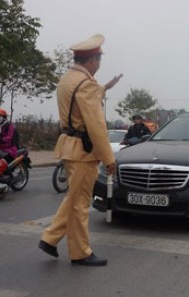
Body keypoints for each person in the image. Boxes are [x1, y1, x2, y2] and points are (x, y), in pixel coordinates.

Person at [39, 34, 122, 267]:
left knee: (74, 198)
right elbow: (96, 127)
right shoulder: (87, 84)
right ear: (93, 60)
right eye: (99, 60)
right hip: (84, 151)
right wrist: (109, 159)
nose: (99, 64)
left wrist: (104, 88)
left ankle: (50, 237)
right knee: (80, 203)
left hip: (69, 146)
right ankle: (80, 252)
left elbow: (81, 100)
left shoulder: (68, 80)